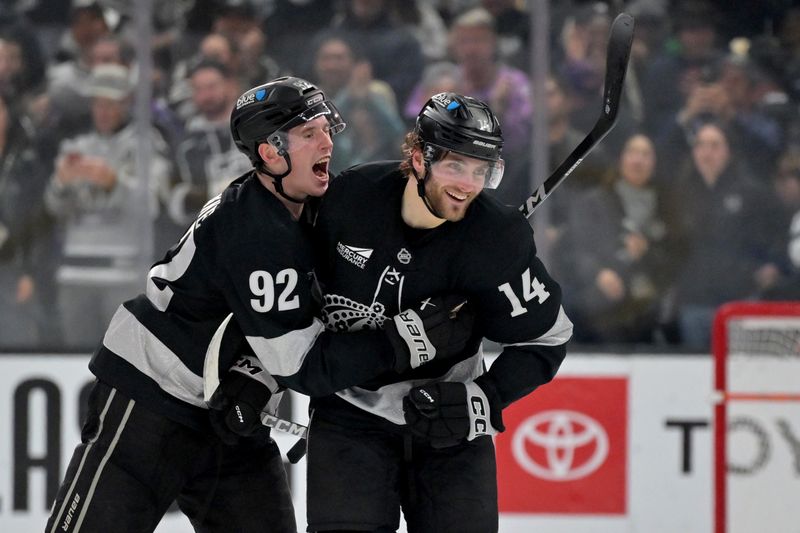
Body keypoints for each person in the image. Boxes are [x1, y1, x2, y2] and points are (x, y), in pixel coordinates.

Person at [46, 76, 474, 533]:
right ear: (270, 153)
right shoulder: (254, 232)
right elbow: (304, 365)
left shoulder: (311, 204)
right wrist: (404, 340)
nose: (328, 140)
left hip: (226, 411)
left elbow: (296, 315)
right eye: (309, 134)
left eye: (327, 128)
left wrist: (253, 375)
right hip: (147, 407)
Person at [303, 92, 573, 531]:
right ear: (418, 158)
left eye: (480, 171)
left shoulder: (496, 237)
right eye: (455, 165)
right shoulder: (348, 199)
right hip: (350, 417)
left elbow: (547, 339)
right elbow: (287, 291)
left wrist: (483, 399)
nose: (468, 184)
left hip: (451, 428)